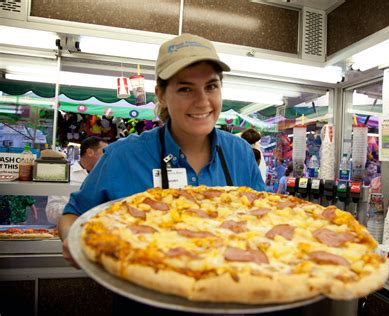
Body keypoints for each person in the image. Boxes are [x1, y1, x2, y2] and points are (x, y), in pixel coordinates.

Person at [59, 33, 265, 268]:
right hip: (143, 292)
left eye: (211, 86)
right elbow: (72, 215)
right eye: (186, 89)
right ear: (161, 95)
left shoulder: (239, 153)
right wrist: (71, 240)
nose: (202, 101)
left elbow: (264, 217)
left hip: (231, 290)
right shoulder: (123, 156)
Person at [45, 137, 108, 224]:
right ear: (90, 152)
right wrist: (78, 208)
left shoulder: (107, 176)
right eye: (104, 152)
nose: (107, 157)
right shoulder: (66, 174)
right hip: (70, 231)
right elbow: (51, 214)